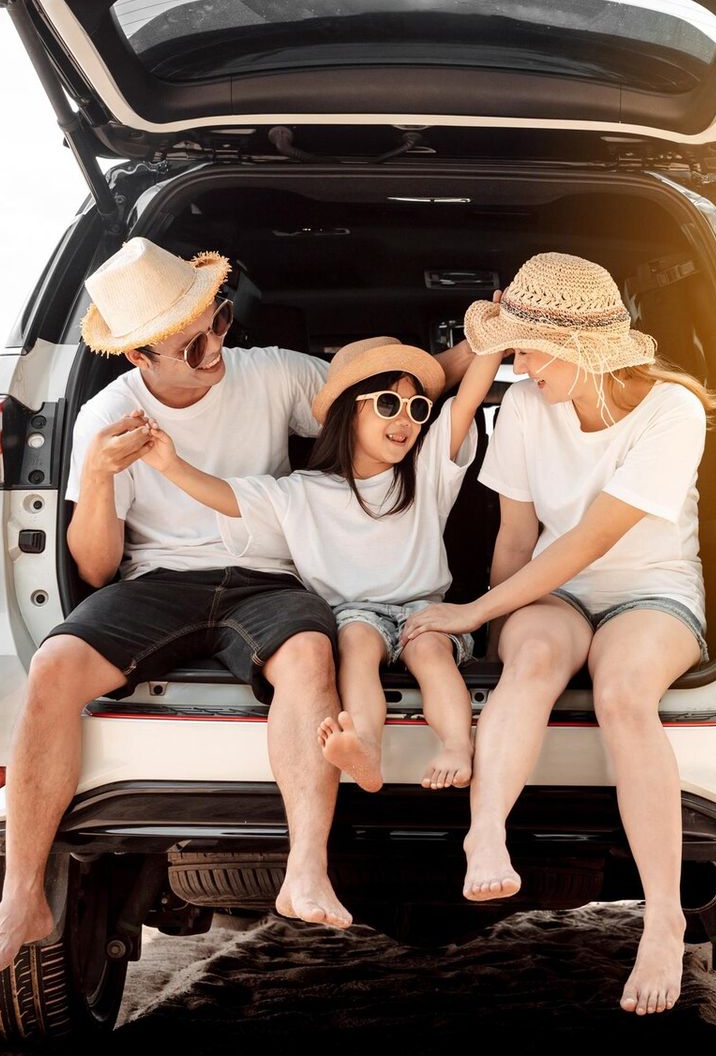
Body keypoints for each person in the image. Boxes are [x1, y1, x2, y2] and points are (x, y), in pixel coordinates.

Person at [0, 238, 473, 980]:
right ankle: (21, 898)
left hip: (268, 577)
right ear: (141, 358)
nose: (215, 348)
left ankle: (304, 870)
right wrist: (99, 480)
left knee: (309, 654)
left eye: (220, 322)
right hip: (157, 581)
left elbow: (375, 392)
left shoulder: (270, 374)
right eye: (191, 344)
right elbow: (97, 566)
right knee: (52, 668)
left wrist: (480, 354)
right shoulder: (108, 414)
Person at [401, 253, 716, 1015]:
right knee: (536, 658)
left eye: (528, 348)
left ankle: (665, 921)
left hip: (652, 590)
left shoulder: (673, 413)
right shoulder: (521, 407)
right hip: (556, 589)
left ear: (581, 351)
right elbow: (517, 539)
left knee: (623, 694)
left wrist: (471, 613)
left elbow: (592, 540)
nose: (517, 362)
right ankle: (485, 835)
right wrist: (497, 627)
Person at [142, 336, 504, 792]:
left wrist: (496, 338)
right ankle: (366, 749)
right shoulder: (302, 491)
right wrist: (170, 464)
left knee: (431, 650)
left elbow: (468, 399)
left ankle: (456, 744)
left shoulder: (427, 473)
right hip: (353, 615)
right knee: (355, 641)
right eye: (389, 403)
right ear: (349, 411)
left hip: (424, 610)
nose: (406, 420)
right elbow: (231, 498)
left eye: (417, 410)